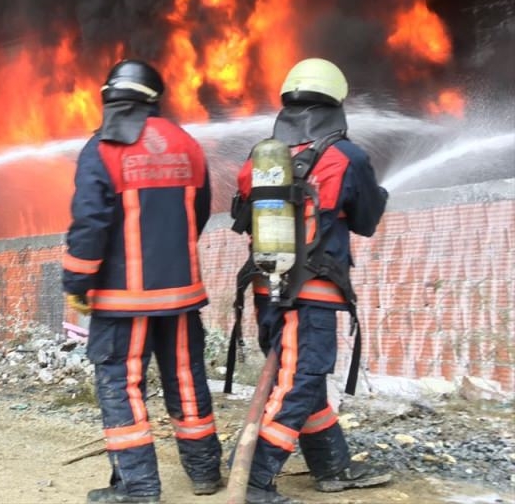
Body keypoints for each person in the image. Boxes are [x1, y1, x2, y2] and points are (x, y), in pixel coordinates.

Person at [229, 58, 392, 504]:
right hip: (313, 296)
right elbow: (366, 221)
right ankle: (255, 477)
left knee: (300, 380)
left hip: (267, 294)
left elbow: (242, 219)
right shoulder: (347, 156)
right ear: (336, 103)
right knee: (301, 380)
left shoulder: (260, 159)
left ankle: (331, 466)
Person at [63, 60, 222, 503]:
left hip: (121, 299)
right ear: (155, 97)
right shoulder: (186, 144)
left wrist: (77, 279)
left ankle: (138, 488)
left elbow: (90, 224)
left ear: (109, 96)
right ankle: (205, 473)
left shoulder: (101, 149)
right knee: (187, 380)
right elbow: (201, 212)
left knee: (122, 386)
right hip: (182, 294)